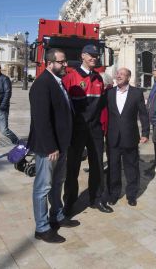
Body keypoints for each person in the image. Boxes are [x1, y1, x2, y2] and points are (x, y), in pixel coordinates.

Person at [28, 48, 77, 244]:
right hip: (49, 148)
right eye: (61, 62)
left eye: (64, 62)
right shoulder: (42, 84)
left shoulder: (58, 82)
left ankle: (56, 215)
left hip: (61, 144)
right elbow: (41, 120)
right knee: (43, 186)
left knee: (58, 182)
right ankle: (42, 228)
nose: (65, 65)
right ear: (49, 63)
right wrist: (50, 147)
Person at [63, 44, 112, 215]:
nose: (94, 58)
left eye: (96, 56)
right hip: (77, 130)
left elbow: (103, 106)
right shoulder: (71, 77)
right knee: (72, 166)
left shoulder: (99, 79)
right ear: (83, 56)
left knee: (97, 164)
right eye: (91, 55)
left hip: (95, 130)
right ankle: (69, 202)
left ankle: (96, 199)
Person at [105, 67, 150, 206]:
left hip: (130, 136)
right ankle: (114, 194)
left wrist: (145, 133)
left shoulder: (136, 93)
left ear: (128, 78)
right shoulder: (109, 93)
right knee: (113, 167)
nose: (118, 76)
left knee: (131, 167)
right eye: (117, 74)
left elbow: (143, 114)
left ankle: (131, 195)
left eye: (122, 74)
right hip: (112, 137)